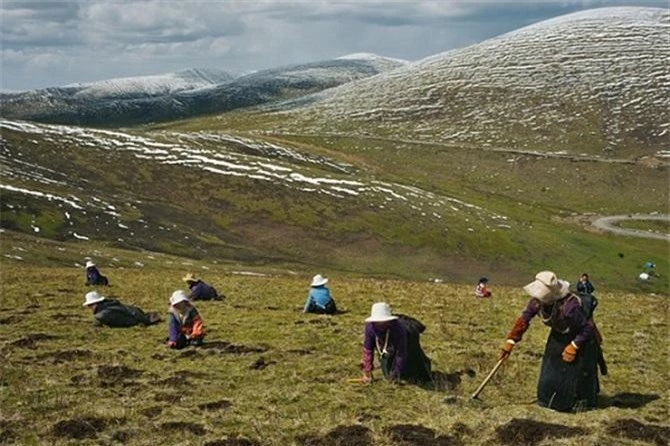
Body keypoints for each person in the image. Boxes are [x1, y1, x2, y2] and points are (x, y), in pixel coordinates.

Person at [499, 271, 601, 412]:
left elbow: (586, 328)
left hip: (582, 338)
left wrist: (574, 346)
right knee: (551, 369)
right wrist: (511, 341)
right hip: (559, 334)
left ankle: (580, 403)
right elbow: (525, 318)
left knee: (579, 373)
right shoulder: (538, 302)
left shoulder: (570, 307)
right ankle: (549, 400)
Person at [360, 302, 431, 384]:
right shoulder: (370, 328)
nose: (380, 324)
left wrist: (396, 373)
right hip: (387, 346)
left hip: (409, 337)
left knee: (411, 371)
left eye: (383, 322)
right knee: (387, 374)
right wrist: (367, 371)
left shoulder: (399, 329)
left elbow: (401, 352)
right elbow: (368, 350)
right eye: (377, 322)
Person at [83, 291, 160, 327]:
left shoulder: (101, 315)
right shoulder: (111, 303)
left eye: (89, 305)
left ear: (94, 304)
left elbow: (97, 323)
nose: (89, 308)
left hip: (133, 321)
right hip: (135, 314)